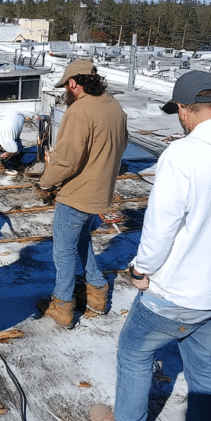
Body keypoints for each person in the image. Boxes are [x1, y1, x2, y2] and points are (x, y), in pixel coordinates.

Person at [91, 70, 211, 421]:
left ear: (183, 109)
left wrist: (142, 269)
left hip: (176, 293)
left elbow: (161, 225)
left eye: (178, 110)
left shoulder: (183, 154)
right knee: (204, 366)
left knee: (133, 351)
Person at [34, 59, 128, 328]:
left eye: (66, 85)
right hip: (100, 193)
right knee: (82, 241)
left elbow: (67, 160)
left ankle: (63, 305)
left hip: (77, 194)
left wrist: (45, 182)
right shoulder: (114, 106)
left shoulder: (79, 110)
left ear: (73, 83)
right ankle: (97, 293)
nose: (66, 90)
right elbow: (121, 145)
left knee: (62, 251)